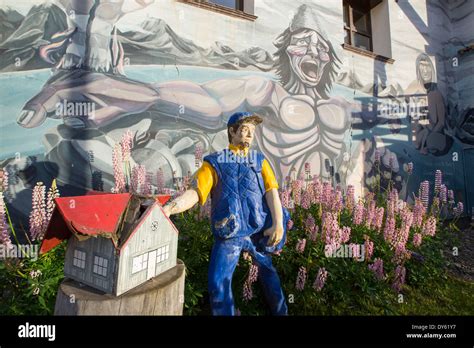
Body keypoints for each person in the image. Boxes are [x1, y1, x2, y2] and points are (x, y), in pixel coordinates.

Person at [162, 111, 289, 316]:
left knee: (270, 278)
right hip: (229, 233)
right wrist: (169, 208)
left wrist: (278, 224)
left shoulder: (260, 161)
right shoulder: (214, 163)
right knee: (217, 282)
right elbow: (195, 193)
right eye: (244, 130)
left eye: (251, 132)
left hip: (258, 232)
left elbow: (272, 192)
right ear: (232, 131)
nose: (248, 136)